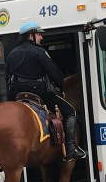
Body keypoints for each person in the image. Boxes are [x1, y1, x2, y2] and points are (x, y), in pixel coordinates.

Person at [6, 21, 86, 162]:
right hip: (39, 92)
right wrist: (61, 87)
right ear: (31, 36)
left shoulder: (12, 53)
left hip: (17, 94)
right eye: (38, 34)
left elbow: (7, 76)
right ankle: (71, 148)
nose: (41, 38)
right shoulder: (39, 51)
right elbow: (53, 72)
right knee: (70, 111)